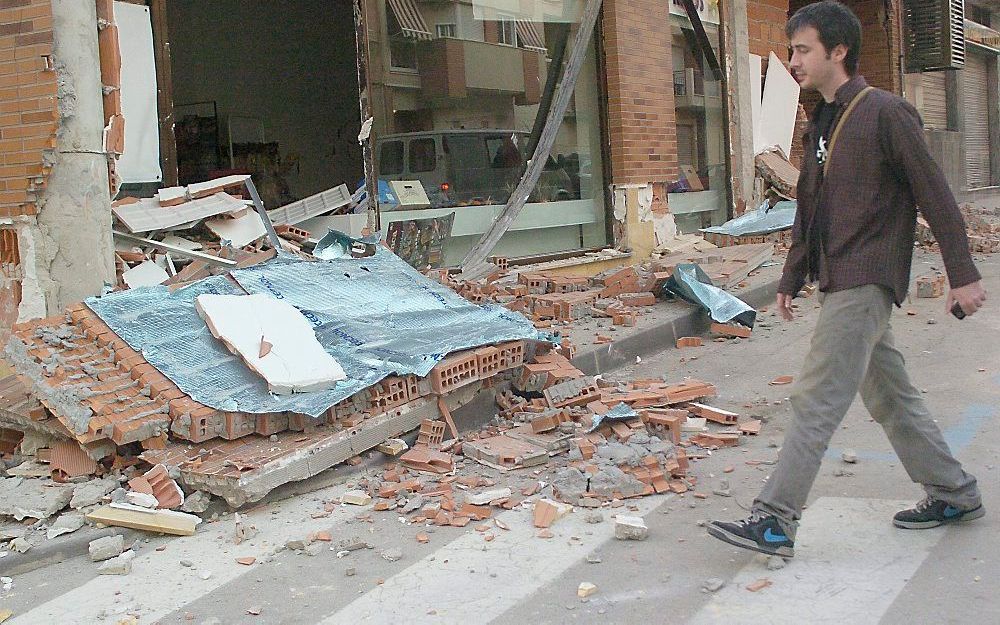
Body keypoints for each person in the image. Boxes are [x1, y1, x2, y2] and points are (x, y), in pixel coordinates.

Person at [706, 0, 987, 559]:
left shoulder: (886, 112)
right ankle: (954, 492)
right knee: (889, 393)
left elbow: (934, 192)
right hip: (838, 275)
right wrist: (791, 276)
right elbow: (808, 207)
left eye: (803, 49)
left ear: (839, 51)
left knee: (815, 397)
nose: (793, 61)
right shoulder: (822, 120)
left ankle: (775, 520)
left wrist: (963, 274)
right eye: (791, 50)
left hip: (867, 276)